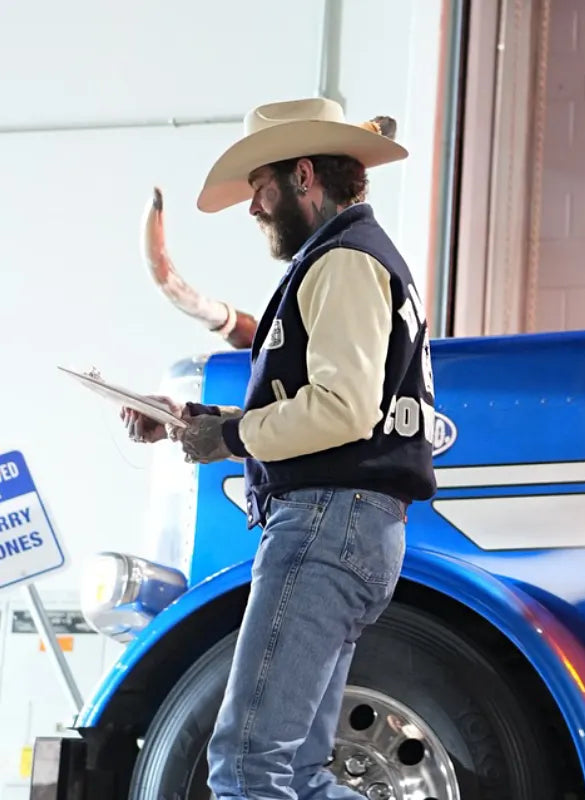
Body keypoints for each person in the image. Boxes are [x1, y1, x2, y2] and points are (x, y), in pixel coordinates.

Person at [122, 97, 437, 800]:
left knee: (247, 768)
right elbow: (324, 405)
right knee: (291, 773)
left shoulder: (344, 263)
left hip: (325, 524)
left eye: (260, 187)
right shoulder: (353, 260)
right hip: (351, 523)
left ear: (303, 176)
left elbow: (343, 410)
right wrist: (191, 420)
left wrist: (230, 435)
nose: (253, 208)